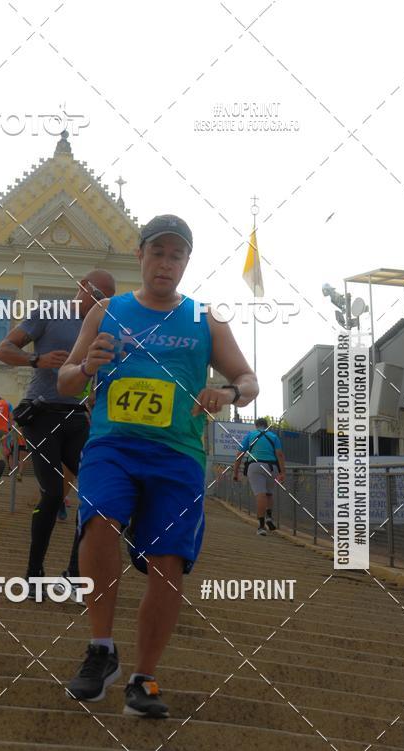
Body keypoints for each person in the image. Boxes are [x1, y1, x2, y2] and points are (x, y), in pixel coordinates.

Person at [57, 214, 258, 717]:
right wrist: (86, 368)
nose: (165, 263)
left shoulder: (206, 319)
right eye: (158, 252)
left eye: (177, 255)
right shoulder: (106, 311)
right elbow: (64, 381)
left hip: (178, 455)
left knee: (167, 566)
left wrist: (228, 392)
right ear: (140, 255)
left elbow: (249, 380)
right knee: (99, 524)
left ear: (186, 262)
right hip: (113, 445)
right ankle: (101, 651)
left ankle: (144, 679)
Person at [0, 269, 116, 604]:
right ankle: (33, 574)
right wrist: (36, 359)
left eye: (110, 298)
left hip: (77, 417)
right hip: (41, 411)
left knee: (95, 496)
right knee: (51, 494)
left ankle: (74, 574)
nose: (104, 302)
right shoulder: (48, 313)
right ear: (83, 288)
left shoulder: (103, 325)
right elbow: (2, 350)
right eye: (100, 294)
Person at [233, 417, 286, 535]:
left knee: (260, 494)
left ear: (256, 426)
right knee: (269, 493)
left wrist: (235, 473)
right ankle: (269, 517)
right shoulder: (273, 436)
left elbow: (239, 455)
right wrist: (283, 472)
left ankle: (261, 527)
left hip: (255, 466)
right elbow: (280, 455)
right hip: (272, 467)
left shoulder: (251, 435)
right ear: (267, 426)